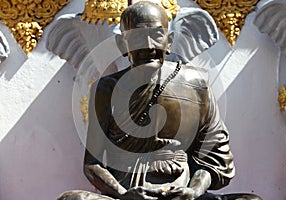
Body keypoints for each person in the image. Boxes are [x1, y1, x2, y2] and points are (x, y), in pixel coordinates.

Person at [58, 2, 262, 200]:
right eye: (137, 37)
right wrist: (123, 194)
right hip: (128, 191)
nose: (149, 46)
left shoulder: (197, 84)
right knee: (72, 199)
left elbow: (215, 159)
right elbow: (92, 165)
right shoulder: (106, 88)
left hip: (182, 191)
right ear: (122, 43)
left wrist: (193, 191)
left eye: (156, 36)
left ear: (169, 40)